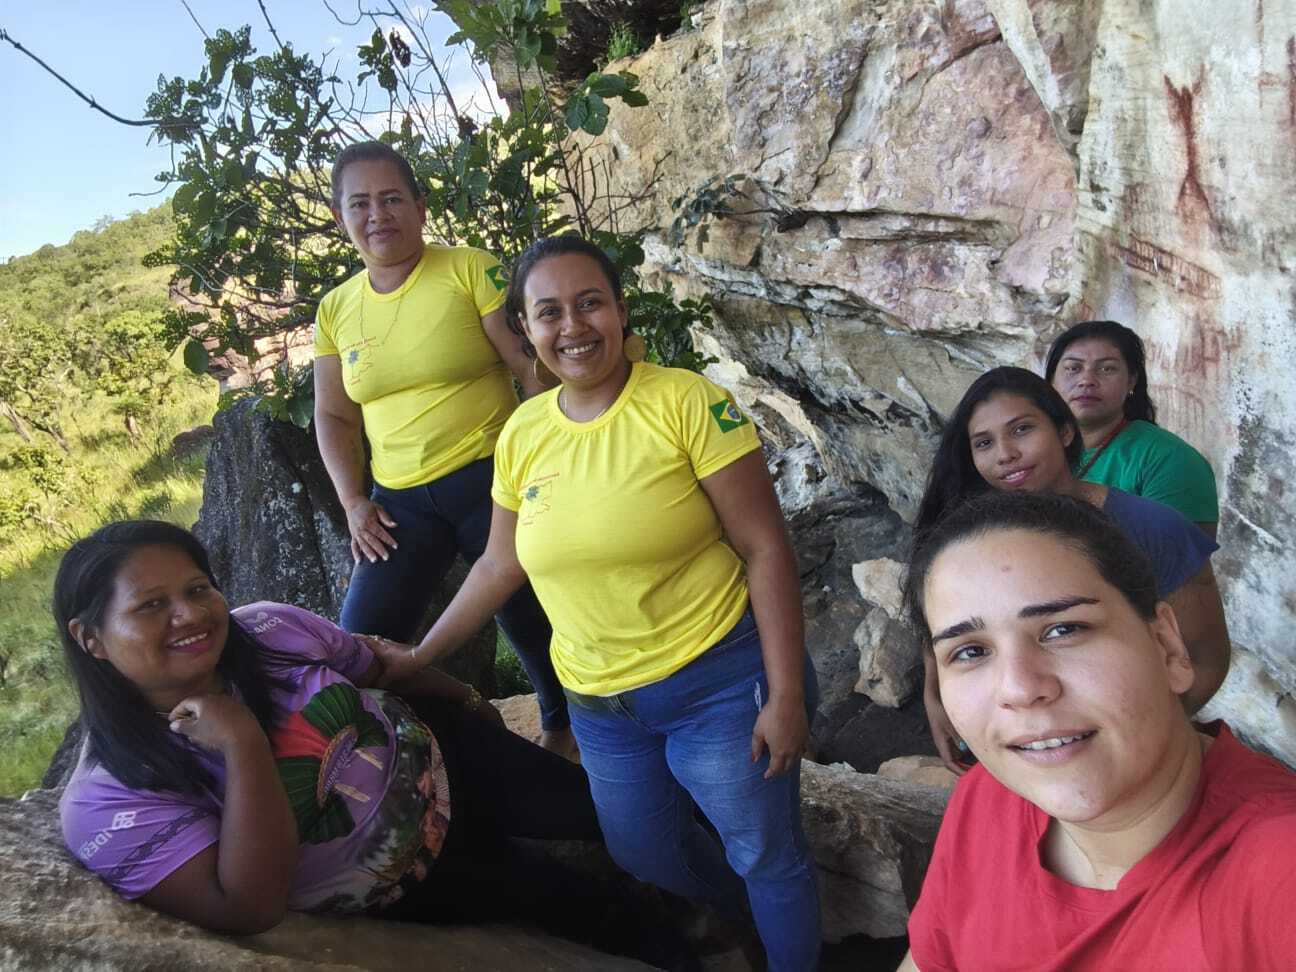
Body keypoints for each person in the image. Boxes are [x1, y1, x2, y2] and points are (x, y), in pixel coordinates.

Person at [374, 235, 822, 971]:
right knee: (643, 849)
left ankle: (785, 937)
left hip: (716, 681)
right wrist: (420, 656)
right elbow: (499, 564)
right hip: (601, 706)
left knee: (766, 852)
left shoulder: (686, 401)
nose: (573, 327)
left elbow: (765, 547)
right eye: (549, 312)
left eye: (590, 303)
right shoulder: (523, 433)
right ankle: (757, 917)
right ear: (524, 328)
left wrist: (787, 694)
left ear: (620, 310)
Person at [55, 520, 605, 937]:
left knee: (613, 822)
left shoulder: (267, 628)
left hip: (457, 758)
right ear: (90, 638)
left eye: (198, 589)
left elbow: (380, 669)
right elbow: (249, 907)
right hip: (412, 878)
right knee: (594, 910)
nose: (190, 614)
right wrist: (243, 743)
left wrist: (472, 702)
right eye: (151, 605)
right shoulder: (108, 799)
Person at [895, 491, 1296, 972]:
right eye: (970, 652)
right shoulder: (986, 801)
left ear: (1167, 647)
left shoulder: (1276, 872)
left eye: (1063, 629)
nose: (1020, 689)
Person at [312, 140, 572, 754]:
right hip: (399, 504)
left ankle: (561, 727)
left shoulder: (469, 269)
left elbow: (530, 368)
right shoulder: (335, 309)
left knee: (528, 616)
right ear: (340, 217)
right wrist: (352, 501)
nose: (378, 215)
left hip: (492, 480)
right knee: (361, 642)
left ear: (420, 206)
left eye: (392, 198)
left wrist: (553, 456)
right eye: (360, 203)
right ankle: (451, 729)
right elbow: (334, 414)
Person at [913, 367, 1230, 773]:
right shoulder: (974, 541)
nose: (1005, 453)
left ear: (1065, 432)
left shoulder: (1151, 529)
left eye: (1022, 429)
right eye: (984, 443)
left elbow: (1206, 659)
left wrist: (1130, 744)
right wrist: (934, 692)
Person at [1044, 319, 1219, 537]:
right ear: (1051, 381)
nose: (1087, 380)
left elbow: (1178, 554)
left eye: (1107, 369)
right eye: (1073, 368)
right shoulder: (1034, 450)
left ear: (1131, 381)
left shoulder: (1170, 459)